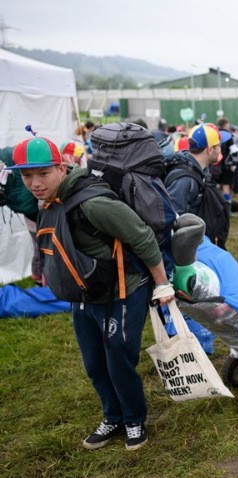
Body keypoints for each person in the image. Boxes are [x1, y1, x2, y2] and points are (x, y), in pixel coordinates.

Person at [10, 135, 175, 450]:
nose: (35, 183)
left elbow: (141, 237)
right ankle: (112, 417)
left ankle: (134, 420)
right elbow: (47, 239)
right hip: (84, 295)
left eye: (43, 173)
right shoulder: (47, 201)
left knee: (118, 360)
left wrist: (163, 283)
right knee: (94, 364)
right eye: (27, 176)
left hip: (122, 292)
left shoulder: (93, 203)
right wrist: (40, 267)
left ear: (61, 167)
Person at [164, 123, 232, 248]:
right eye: (218, 146)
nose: (220, 150)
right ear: (210, 150)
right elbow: (172, 220)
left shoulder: (201, 171)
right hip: (185, 251)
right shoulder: (184, 180)